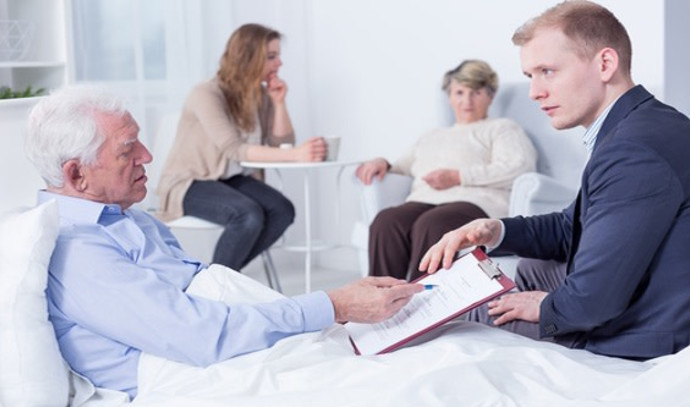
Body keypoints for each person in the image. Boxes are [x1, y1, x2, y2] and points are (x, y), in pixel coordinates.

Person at [25, 85, 424, 400]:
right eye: (128, 149)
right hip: (196, 369)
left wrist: (330, 311)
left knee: (406, 352)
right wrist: (333, 306)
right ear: (76, 175)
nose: (147, 156)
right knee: (395, 385)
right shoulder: (77, 251)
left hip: (231, 337)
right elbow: (200, 335)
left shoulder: (129, 217)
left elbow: (205, 301)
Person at [420, 0, 690, 360]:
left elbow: (593, 303)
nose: (534, 92)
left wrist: (544, 308)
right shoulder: (645, 123)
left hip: (638, 328)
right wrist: (496, 230)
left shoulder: (633, 150)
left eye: (547, 71)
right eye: (530, 76)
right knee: (532, 267)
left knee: (464, 318)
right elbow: (572, 227)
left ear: (605, 64)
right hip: (642, 293)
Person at [156, 23, 327, 270]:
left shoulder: (259, 95)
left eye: (278, 56)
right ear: (247, 58)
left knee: (282, 210)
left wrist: (279, 103)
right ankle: (216, 284)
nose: (279, 63)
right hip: (190, 183)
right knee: (247, 215)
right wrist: (297, 154)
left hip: (231, 179)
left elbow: (281, 145)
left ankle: (221, 275)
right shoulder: (206, 93)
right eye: (271, 56)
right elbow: (234, 149)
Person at [355, 60, 536, 281]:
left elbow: (518, 167)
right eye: (459, 92)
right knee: (387, 220)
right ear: (449, 97)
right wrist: (383, 163)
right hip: (425, 201)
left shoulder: (502, 128)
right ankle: (380, 294)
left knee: (433, 222)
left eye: (476, 92)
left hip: (475, 203)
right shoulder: (432, 136)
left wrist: (458, 177)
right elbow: (402, 167)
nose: (467, 101)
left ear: (490, 96)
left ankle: (425, 296)